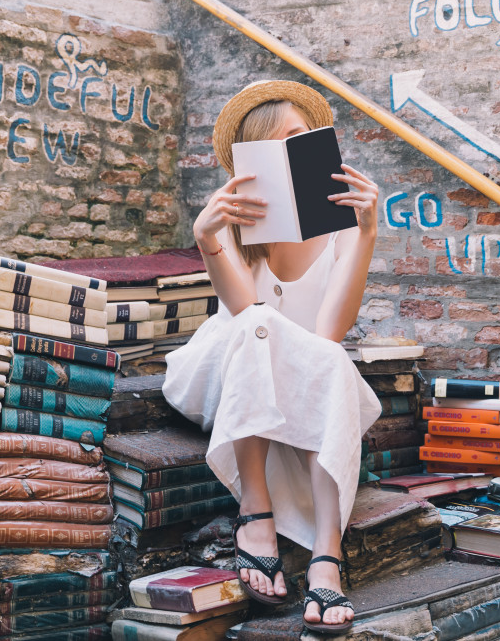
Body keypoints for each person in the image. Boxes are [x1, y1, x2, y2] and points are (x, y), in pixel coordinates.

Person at [163, 80, 382, 636]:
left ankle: (327, 554)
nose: (304, 145)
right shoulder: (233, 216)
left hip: (303, 371)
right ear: (259, 149)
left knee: (328, 356)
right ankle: (255, 512)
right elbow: (242, 313)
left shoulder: (339, 226)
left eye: (309, 136)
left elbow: (329, 332)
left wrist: (365, 235)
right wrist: (208, 239)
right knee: (260, 322)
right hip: (225, 363)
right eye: (289, 137)